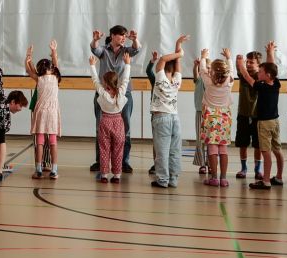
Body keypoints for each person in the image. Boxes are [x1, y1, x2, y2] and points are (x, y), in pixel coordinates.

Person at [89, 25, 140, 173]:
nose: (123, 38)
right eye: (121, 35)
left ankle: (124, 162)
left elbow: (136, 49)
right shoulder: (104, 50)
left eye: (125, 35)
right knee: (100, 128)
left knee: (126, 128)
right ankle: (100, 162)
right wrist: (95, 40)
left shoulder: (126, 50)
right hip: (104, 94)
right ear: (112, 35)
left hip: (124, 94)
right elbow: (94, 49)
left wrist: (135, 40)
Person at [237, 41, 284, 190]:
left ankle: (266, 180)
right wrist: (270, 53)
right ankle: (279, 177)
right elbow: (271, 67)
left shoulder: (261, 86)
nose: (259, 74)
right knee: (277, 150)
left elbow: (246, 75)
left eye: (261, 72)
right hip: (274, 121)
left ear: (266, 74)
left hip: (264, 122)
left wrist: (240, 64)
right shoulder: (276, 83)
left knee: (265, 151)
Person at [149, 35, 188, 188]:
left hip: (161, 119)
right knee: (174, 151)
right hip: (175, 119)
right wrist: (178, 46)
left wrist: (179, 53)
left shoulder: (160, 79)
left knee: (162, 152)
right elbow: (176, 64)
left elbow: (163, 59)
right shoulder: (176, 81)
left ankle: (163, 180)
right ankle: (173, 179)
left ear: (163, 68)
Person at [89, 51, 131, 184]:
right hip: (118, 122)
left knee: (104, 149)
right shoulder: (121, 93)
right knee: (118, 149)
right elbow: (126, 79)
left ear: (105, 82)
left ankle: (104, 175)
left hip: (105, 122)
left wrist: (92, 66)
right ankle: (117, 175)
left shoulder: (102, 93)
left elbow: (95, 80)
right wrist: (127, 64)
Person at [26, 40, 62, 179]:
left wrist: (28, 58)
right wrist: (53, 51)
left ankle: (38, 170)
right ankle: (54, 170)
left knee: (39, 142)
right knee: (53, 141)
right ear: (51, 69)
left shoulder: (39, 79)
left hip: (41, 112)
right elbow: (56, 64)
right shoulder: (55, 77)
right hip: (52, 113)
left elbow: (29, 71)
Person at [199, 48, 234, 187]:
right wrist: (229, 57)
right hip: (225, 118)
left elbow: (202, 69)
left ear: (212, 72)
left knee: (212, 148)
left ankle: (214, 178)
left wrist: (203, 57)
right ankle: (223, 178)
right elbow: (231, 70)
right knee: (223, 149)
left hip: (210, 117)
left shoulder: (208, 82)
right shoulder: (229, 81)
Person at [234, 49, 264, 180]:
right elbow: (240, 69)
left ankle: (258, 169)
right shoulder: (243, 75)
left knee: (258, 144)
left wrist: (240, 65)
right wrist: (237, 61)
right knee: (243, 143)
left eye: (252, 62)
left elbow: (245, 73)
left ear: (258, 65)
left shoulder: (260, 76)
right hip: (243, 114)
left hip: (257, 115)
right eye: (247, 62)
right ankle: (243, 168)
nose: (248, 64)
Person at [192, 59, 209, 174]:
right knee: (200, 139)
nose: (207, 69)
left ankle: (210, 163)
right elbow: (195, 75)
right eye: (205, 67)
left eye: (209, 67)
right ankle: (202, 163)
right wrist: (195, 66)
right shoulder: (199, 79)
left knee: (210, 140)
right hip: (200, 112)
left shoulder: (211, 81)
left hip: (210, 113)